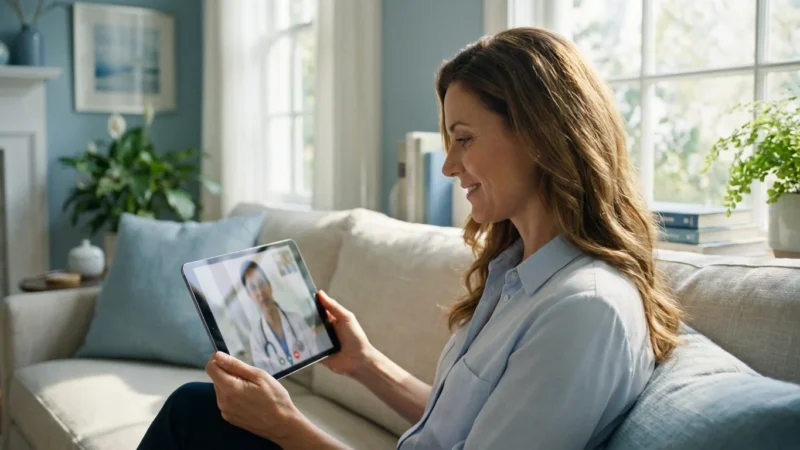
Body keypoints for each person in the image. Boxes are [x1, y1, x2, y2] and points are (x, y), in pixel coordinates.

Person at [139, 27, 683, 449]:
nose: (449, 166)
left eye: (464, 139)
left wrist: (286, 427)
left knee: (193, 413)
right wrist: (365, 363)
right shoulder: (518, 273)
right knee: (199, 408)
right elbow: (458, 428)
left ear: (541, 137)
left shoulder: (583, 311)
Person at [240, 261, 318, 375]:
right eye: (252, 287)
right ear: (250, 296)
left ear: (270, 286)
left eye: (261, 283)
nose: (260, 292)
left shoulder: (296, 320)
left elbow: (315, 355)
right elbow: (263, 376)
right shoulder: (256, 338)